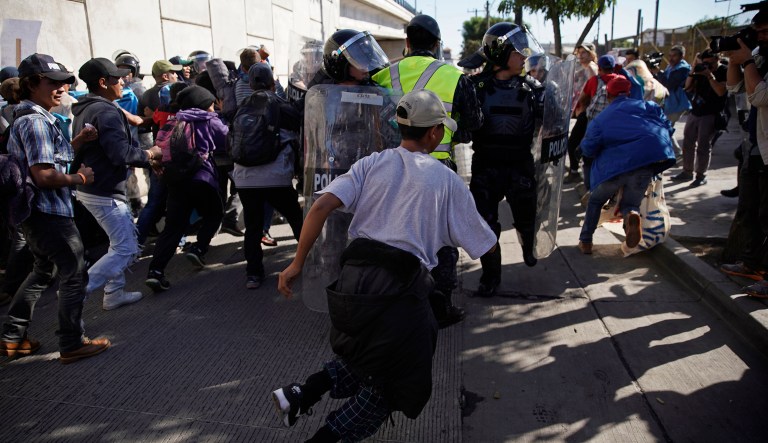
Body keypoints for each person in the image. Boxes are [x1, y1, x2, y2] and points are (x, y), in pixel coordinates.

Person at [273, 89, 496, 443]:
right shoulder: (445, 179)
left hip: (352, 283)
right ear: (435, 132)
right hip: (399, 291)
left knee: (368, 357)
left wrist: (296, 264)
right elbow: (482, 242)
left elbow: (319, 207)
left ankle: (303, 393)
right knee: (393, 385)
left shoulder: (370, 163)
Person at [372, 13, 483, 327]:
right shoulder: (455, 76)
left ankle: (394, 300)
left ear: (407, 43)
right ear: (437, 45)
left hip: (391, 169)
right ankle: (439, 308)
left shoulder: (382, 75)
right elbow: (472, 125)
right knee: (442, 240)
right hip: (437, 169)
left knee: (394, 236)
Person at [0, 53, 110, 363]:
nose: (62, 88)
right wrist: (80, 176)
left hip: (37, 214)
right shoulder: (35, 122)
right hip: (50, 214)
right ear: (32, 84)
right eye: (54, 82)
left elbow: (45, 159)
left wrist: (76, 141)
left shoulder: (31, 118)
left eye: (65, 82)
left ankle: (12, 338)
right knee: (75, 275)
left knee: (41, 271)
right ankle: (72, 343)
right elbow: (44, 175)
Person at [73, 57, 162, 310]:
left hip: (94, 188)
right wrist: (151, 154)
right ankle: (78, 292)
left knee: (118, 242)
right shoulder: (104, 111)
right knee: (126, 248)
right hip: (103, 190)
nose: (123, 81)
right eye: (117, 78)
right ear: (103, 83)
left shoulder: (88, 107)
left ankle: (114, 292)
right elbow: (121, 153)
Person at [470, 22, 546, 297]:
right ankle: (491, 275)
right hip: (486, 167)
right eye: (518, 51)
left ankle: (528, 244)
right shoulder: (475, 87)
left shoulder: (534, 89)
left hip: (520, 165)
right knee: (486, 227)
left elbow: (551, 125)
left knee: (526, 218)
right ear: (501, 53)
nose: (525, 56)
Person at [577, 76, 676, 254]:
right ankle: (631, 215)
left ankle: (586, 241)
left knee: (596, 200)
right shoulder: (649, 106)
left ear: (608, 95)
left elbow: (589, 147)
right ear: (629, 93)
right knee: (631, 203)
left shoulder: (602, 118)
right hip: (644, 165)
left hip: (613, 169)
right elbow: (667, 127)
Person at [145, 85, 227, 292]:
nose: (213, 106)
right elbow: (226, 140)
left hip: (175, 180)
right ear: (203, 103)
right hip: (202, 178)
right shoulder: (209, 120)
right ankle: (199, 248)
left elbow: (160, 147)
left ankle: (155, 271)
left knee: (173, 227)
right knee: (215, 213)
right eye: (211, 102)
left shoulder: (173, 120)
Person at [231, 63, 304, 289]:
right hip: (275, 176)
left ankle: (253, 274)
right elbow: (299, 123)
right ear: (273, 83)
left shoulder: (242, 106)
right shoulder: (279, 104)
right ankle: (310, 262)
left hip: (244, 177)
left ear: (250, 84)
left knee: (252, 226)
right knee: (296, 219)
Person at [721, 8, 768, 298]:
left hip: (766, 149)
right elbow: (733, 86)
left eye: (765, 31)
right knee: (750, 211)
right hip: (754, 148)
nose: (761, 37)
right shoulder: (761, 58)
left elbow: (761, 96)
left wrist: (748, 59)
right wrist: (733, 59)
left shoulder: (757, 59)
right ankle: (751, 264)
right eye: (758, 32)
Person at [671, 49, 727, 186]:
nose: (707, 65)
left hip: (711, 113)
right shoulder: (700, 70)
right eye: (705, 62)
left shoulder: (723, 70)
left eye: (710, 63)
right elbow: (687, 87)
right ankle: (687, 171)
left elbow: (721, 92)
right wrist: (693, 68)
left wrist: (709, 75)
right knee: (688, 143)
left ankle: (701, 175)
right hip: (695, 111)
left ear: (717, 59)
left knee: (703, 145)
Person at [566, 42, 598, 181]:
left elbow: (593, 91)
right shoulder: (583, 68)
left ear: (591, 54)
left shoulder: (591, 67)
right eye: (579, 53)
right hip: (582, 111)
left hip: (588, 112)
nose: (580, 56)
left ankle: (575, 172)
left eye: (584, 52)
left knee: (573, 142)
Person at [657, 45, 692, 158]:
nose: (671, 58)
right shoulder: (671, 67)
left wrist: (659, 72)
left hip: (677, 104)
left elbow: (668, 84)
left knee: (666, 128)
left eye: (674, 56)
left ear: (682, 56)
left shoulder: (683, 68)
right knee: (666, 127)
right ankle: (677, 153)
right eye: (670, 56)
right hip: (670, 103)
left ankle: (677, 153)